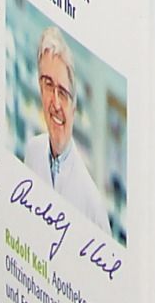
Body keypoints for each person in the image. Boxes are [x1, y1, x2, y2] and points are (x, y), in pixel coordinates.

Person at [23, 26, 109, 233]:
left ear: (74, 107)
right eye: (48, 85)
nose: (55, 104)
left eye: (62, 92)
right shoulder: (33, 150)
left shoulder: (92, 204)